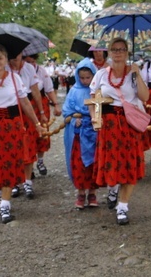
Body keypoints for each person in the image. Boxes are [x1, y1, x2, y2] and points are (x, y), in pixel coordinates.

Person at [0, 45, 45, 224]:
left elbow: (25, 103)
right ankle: (2, 189)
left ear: (6, 60)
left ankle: (5, 204)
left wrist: (37, 124)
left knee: (9, 162)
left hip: (12, 126)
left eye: (1, 58)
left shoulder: (15, 78)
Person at [89, 37, 149, 225]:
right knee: (112, 163)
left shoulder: (133, 73)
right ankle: (113, 188)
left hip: (129, 124)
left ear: (127, 52)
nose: (118, 52)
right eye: (114, 49)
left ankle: (123, 206)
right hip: (108, 126)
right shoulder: (100, 75)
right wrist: (94, 117)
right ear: (108, 51)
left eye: (122, 49)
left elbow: (145, 97)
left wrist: (137, 74)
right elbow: (93, 98)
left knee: (129, 164)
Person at [63, 58, 99, 209]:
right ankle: (81, 192)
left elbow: (100, 107)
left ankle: (92, 193)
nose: (85, 81)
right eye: (82, 78)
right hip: (78, 134)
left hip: (93, 133)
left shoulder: (97, 91)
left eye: (88, 78)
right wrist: (73, 119)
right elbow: (66, 112)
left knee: (93, 163)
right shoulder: (73, 91)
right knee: (79, 164)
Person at [9, 52, 45, 199]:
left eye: (17, 57)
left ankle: (27, 181)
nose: (14, 61)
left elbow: (35, 91)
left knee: (28, 145)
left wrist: (41, 112)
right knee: (13, 146)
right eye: (11, 57)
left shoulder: (29, 68)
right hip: (11, 110)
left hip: (27, 107)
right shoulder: (3, 69)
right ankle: (15, 182)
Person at [24, 54, 62, 176]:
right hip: (26, 103)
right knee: (28, 134)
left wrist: (55, 104)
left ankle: (40, 160)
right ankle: (29, 165)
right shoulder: (19, 71)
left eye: (33, 61)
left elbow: (49, 89)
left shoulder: (41, 71)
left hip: (41, 102)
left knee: (42, 133)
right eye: (28, 61)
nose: (31, 63)